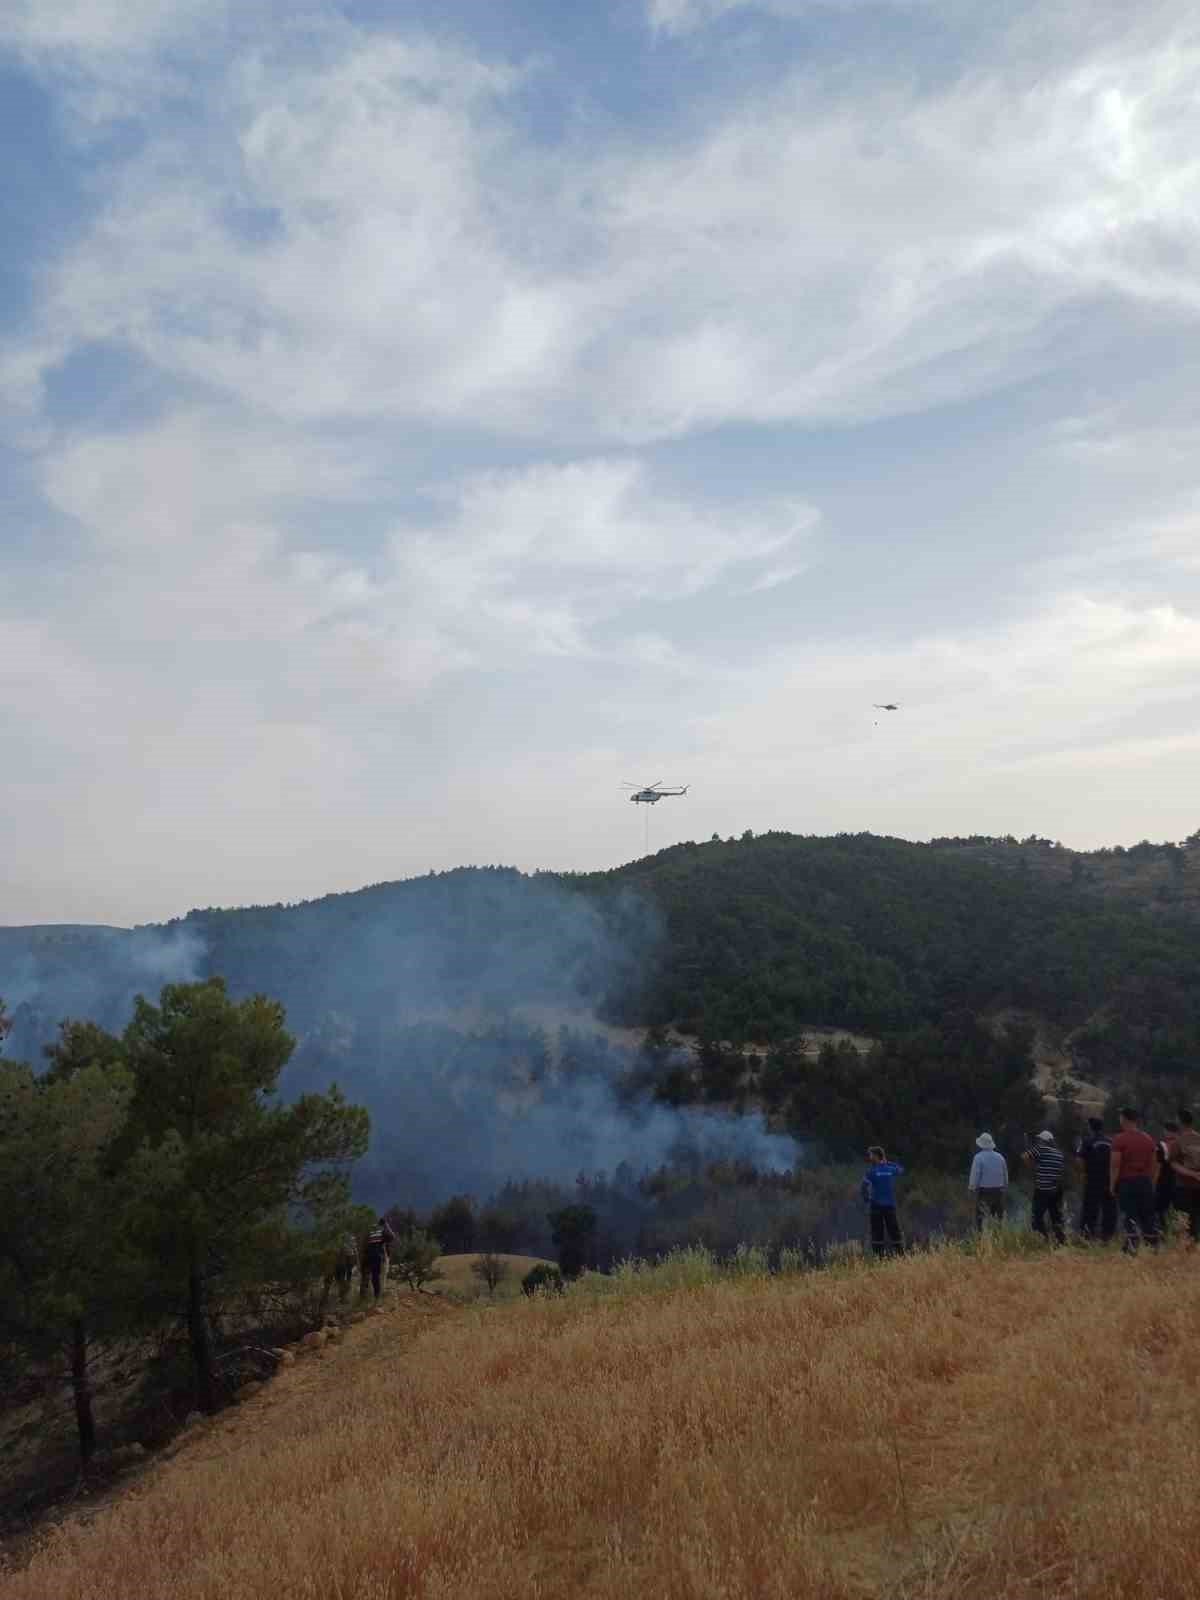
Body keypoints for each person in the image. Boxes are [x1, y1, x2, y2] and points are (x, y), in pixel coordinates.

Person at [1109, 1107, 1159, 1252]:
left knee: (1129, 1214)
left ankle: (1131, 1247)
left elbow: (1115, 1165)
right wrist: (1151, 1183)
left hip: (1127, 1182)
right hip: (1145, 1182)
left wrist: (1112, 1184)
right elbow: (1154, 1165)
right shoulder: (1148, 1139)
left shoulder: (1119, 1139)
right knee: (1147, 1215)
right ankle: (1153, 1247)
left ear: (1124, 1119)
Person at [1076, 1118, 1117, 1242]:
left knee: (1090, 1209)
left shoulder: (1087, 1141)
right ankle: (1108, 1237)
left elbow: (1079, 1159)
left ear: (1090, 1127)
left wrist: (1083, 1173)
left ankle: (1087, 1237)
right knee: (1109, 1209)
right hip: (1109, 1180)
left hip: (1093, 1180)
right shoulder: (1111, 1141)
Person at [1022, 1130, 1067, 1244]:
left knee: (1036, 1217)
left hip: (1043, 1189)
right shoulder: (1059, 1154)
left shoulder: (1040, 1149)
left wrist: (1032, 1167)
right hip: (1056, 1189)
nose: (1038, 1141)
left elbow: (1025, 1156)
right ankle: (1061, 1240)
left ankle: (1044, 1239)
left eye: (1040, 1140)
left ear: (1043, 1141)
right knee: (1056, 1216)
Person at [860, 1145, 904, 1256]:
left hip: (876, 1206)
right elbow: (901, 1169)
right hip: (890, 1206)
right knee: (894, 1230)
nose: (869, 1157)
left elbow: (863, 1187)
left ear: (875, 1156)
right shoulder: (891, 1169)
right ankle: (900, 1255)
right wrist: (887, 1163)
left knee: (877, 1232)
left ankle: (879, 1257)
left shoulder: (871, 1171)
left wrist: (866, 1199)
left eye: (871, 1155)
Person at [1167, 1107, 1200, 1245]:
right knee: (1196, 1217)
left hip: (1183, 1186)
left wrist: (1191, 1173)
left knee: (1182, 1217)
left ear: (1180, 1122)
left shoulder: (1177, 1142)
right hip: (1198, 1186)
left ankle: (1184, 1246)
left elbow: (1172, 1163)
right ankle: (1195, 1243)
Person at [968, 1132, 1008, 1230]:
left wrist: (972, 1187)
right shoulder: (1000, 1157)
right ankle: (998, 1239)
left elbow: (975, 1175)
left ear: (981, 1145)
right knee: (997, 1218)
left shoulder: (978, 1157)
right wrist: (1005, 1186)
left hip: (984, 1192)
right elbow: (1005, 1174)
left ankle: (980, 1238)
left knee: (980, 1218)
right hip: (998, 1191)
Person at [1155, 1121, 1180, 1235]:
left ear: (1166, 1131)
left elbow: (1158, 1166)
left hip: (1164, 1182)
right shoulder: (1184, 1143)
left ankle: (1164, 1233)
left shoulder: (1162, 1145)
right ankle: (1182, 1235)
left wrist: (1153, 1182)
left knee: (1161, 1210)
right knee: (1180, 1211)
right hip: (1184, 1183)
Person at [362, 1215, 396, 1301]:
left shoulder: (370, 1232)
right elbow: (392, 1237)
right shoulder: (382, 1231)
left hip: (370, 1257)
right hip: (381, 1257)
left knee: (374, 1277)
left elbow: (364, 1245)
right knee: (381, 1277)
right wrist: (386, 1225)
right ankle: (378, 1296)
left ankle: (374, 1296)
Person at [334, 1232, 358, 1302]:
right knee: (344, 1279)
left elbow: (354, 1250)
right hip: (344, 1262)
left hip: (344, 1262)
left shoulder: (346, 1236)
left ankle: (343, 1296)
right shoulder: (350, 1236)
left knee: (344, 1279)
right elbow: (355, 1251)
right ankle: (343, 1296)